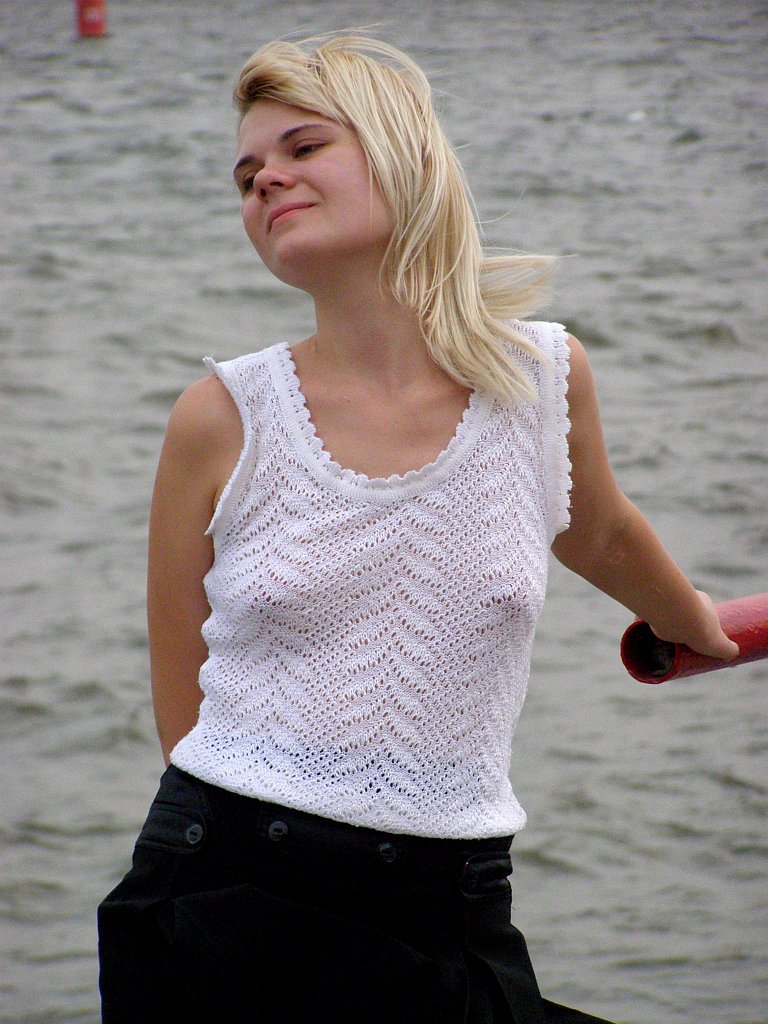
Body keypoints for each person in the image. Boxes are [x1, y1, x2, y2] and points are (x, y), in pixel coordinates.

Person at [97, 33, 738, 1024]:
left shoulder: (541, 380)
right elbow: (183, 711)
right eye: (247, 175)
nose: (266, 180)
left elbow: (598, 531)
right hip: (231, 893)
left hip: (455, 895)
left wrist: (696, 621)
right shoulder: (221, 418)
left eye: (304, 147)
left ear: (404, 156)